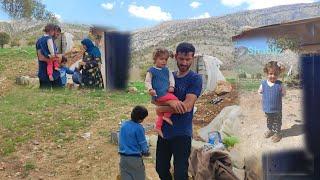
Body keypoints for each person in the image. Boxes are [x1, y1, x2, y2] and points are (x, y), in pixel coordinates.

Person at [155, 42, 202, 180]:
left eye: (188, 59)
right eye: (181, 59)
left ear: (192, 58)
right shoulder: (168, 76)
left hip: (182, 133)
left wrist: (161, 109)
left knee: (180, 173)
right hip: (165, 131)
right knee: (161, 168)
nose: (184, 62)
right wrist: (171, 102)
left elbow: (186, 106)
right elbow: (156, 98)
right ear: (175, 56)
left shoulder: (195, 79)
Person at [145, 48, 177, 138]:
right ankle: (167, 116)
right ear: (155, 59)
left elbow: (171, 79)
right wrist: (150, 89)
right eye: (161, 59)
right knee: (176, 100)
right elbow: (147, 81)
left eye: (166, 59)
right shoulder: (151, 70)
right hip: (159, 94)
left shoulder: (167, 70)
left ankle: (158, 126)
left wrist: (172, 86)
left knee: (163, 110)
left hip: (165, 93)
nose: (164, 61)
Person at [118, 105, 150, 180]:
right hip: (135, 159)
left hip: (123, 158)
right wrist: (146, 152)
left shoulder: (123, 125)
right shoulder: (139, 128)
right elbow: (143, 143)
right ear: (140, 119)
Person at [258, 61, 286, 143]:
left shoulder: (280, 84)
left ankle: (278, 133)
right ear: (266, 73)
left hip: (277, 109)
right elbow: (260, 92)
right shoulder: (263, 84)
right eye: (270, 73)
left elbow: (284, 93)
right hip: (267, 108)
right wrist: (266, 98)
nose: (273, 76)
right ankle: (270, 130)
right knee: (269, 120)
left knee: (277, 122)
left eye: (275, 74)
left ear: (278, 74)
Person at [36, 24, 62, 88]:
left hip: (55, 74)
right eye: (57, 34)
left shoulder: (52, 42)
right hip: (45, 74)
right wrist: (53, 59)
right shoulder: (40, 41)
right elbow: (41, 57)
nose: (57, 37)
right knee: (45, 95)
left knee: (59, 93)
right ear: (52, 31)